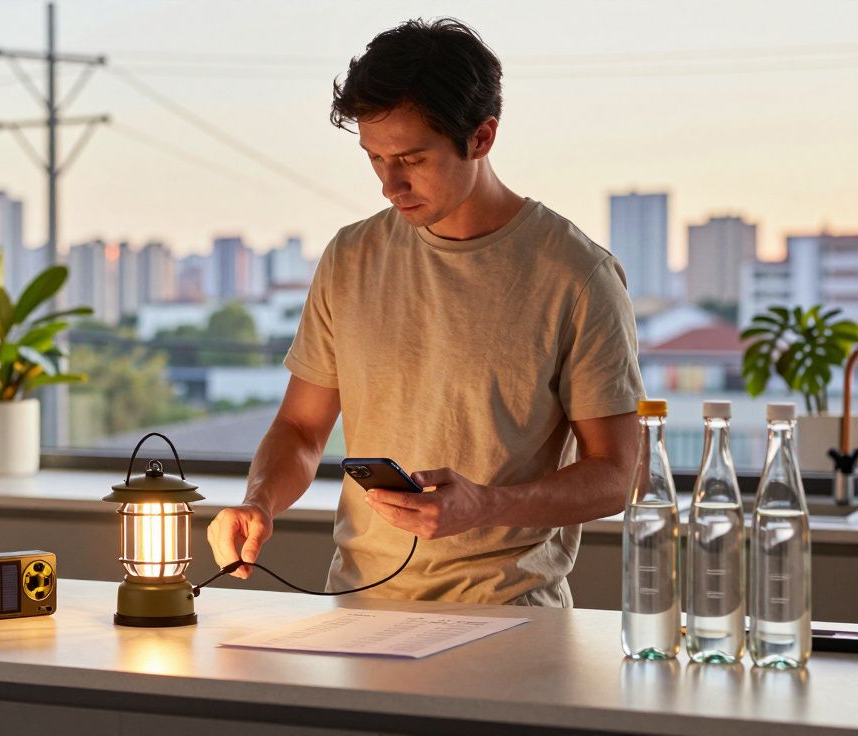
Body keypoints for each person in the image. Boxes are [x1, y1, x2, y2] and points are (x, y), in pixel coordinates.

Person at [206, 18, 645, 606]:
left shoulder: (577, 276)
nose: (391, 184)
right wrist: (259, 500)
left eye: (412, 158)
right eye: (375, 158)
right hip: (358, 614)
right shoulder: (351, 256)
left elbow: (618, 473)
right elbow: (302, 428)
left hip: (509, 619)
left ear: (482, 137)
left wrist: (485, 506)